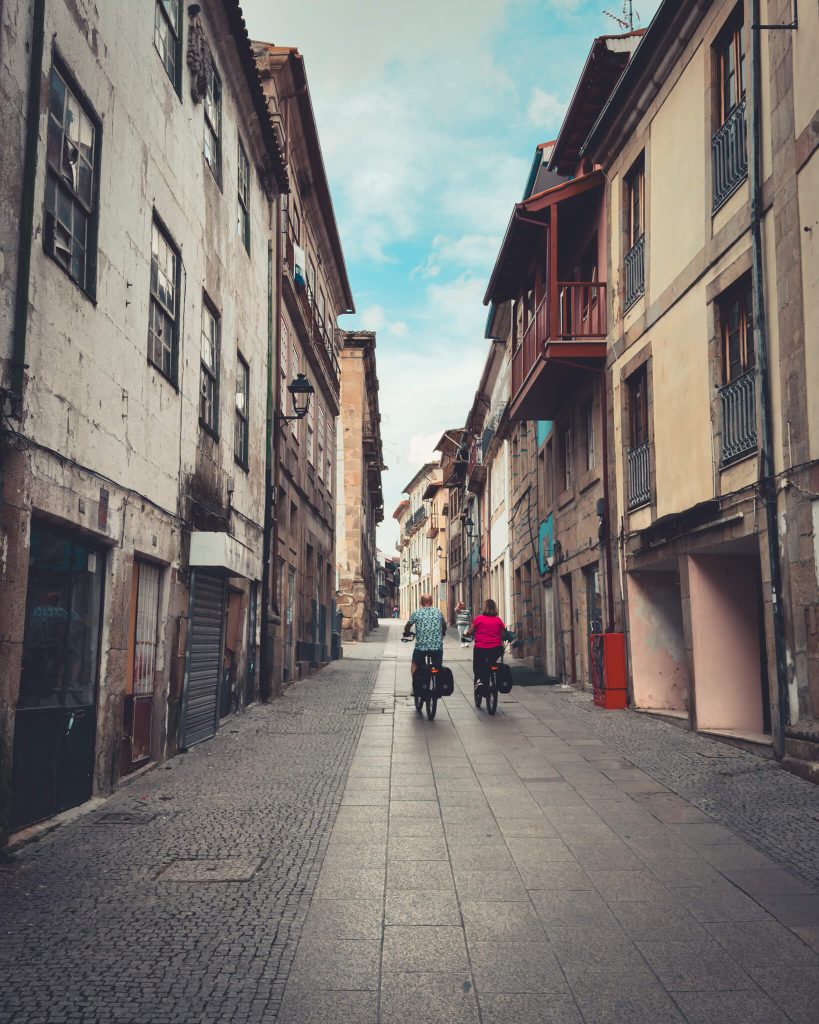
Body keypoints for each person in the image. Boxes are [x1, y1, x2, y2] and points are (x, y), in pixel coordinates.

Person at [464, 599, 506, 695]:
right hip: (496, 649)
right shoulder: (498, 620)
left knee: (478, 666)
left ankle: (480, 681)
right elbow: (503, 635)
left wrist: (466, 635)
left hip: (481, 649)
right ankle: (493, 677)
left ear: (484, 608)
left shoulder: (479, 619)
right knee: (492, 663)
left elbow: (471, 631)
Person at [403, 594, 446, 685]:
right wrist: (443, 634)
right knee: (437, 665)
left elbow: (408, 625)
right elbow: (444, 625)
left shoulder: (417, 613)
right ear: (431, 602)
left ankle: (415, 686)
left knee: (415, 663)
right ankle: (437, 683)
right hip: (436, 647)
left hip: (421, 647)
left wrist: (407, 632)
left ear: (421, 603)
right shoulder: (438, 612)